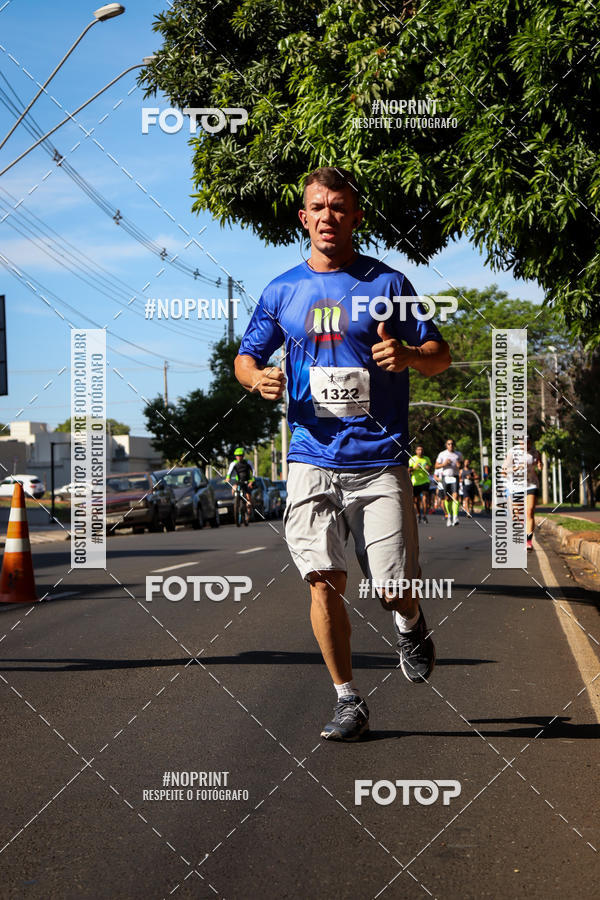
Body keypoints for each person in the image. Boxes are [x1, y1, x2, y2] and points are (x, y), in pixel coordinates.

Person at [234, 166, 451, 741]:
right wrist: (258, 380)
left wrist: (409, 356)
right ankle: (347, 700)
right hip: (309, 456)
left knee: (390, 585)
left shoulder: (388, 283)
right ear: (303, 218)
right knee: (322, 579)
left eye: (339, 208)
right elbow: (245, 358)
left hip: (379, 459)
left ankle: (409, 620)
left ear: (355, 218)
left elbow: (439, 352)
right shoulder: (282, 290)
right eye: (317, 207)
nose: (328, 216)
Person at [435, 439, 463, 526]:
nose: (451, 445)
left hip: (455, 476)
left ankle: (455, 517)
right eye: (449, 444)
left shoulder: (458, 454)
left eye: (452, 444)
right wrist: (444, 464)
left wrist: (459, 465)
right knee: (447, 498)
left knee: (455, 496)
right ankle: (449, 517)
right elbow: (436, 466)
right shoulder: (442, 454)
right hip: (445, 477)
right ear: (446, 445)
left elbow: (461, 464)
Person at [225, 448, 255, 526]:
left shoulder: (248, 462)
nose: (238, 457)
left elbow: (254, 471)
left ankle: (248, 512)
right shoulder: (233, 463)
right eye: (237, 456)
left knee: (248, 497)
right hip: (239, 481)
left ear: (243, 456)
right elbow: (229, 472)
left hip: (247, 481)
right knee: (234, 488)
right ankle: (236, 503)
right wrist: (228, 477)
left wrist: (252, 480)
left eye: (240, 456)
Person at [408, 443, 432, 523]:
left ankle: (425, 515)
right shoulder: (412, 459)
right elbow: (408, 470)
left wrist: (428, 468)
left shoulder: (426, 459)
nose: (420, 451)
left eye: (421, 450)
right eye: (418, 450)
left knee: (425, 498)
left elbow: (430, 469)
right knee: (416, 500)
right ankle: (418, 514)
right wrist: (414, 468)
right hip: (415, 482)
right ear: (416, 451)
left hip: (425, 481)